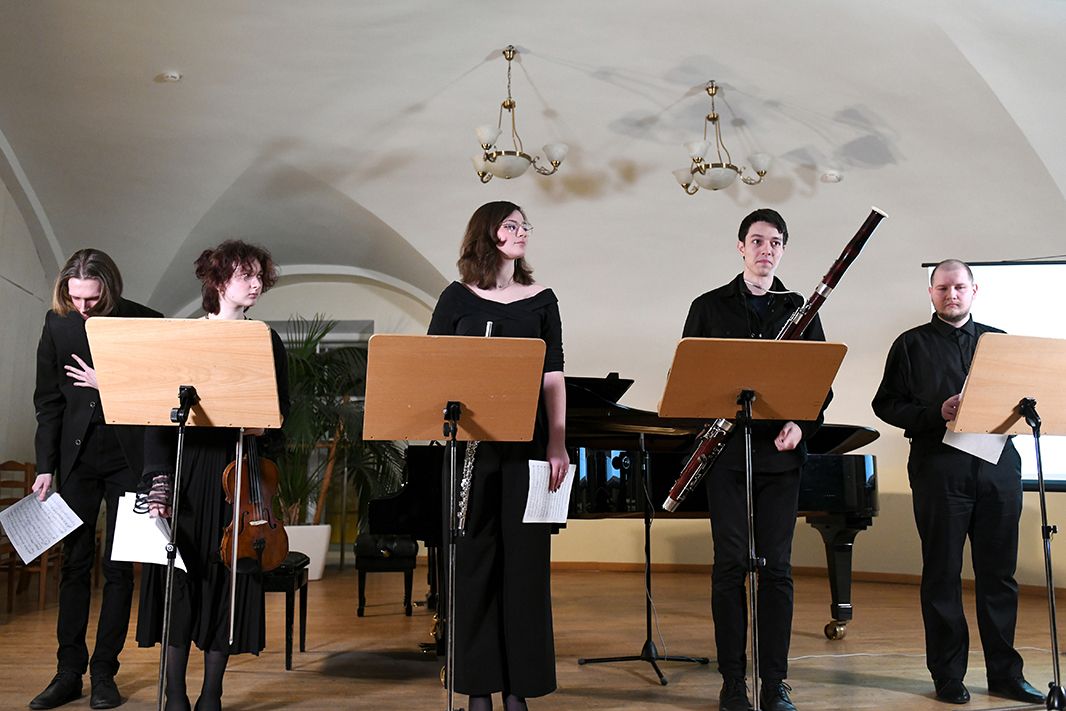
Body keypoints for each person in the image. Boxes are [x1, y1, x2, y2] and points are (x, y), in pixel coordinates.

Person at [871, 259, 1043, 705]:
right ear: (931, 292)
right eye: (943, 287)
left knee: (999, 577)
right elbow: (885, 404)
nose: (951, 294)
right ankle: (948, 676)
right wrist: (935, 413)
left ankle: (1006, 674)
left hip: (998, 471)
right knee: (943, 575)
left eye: (959, 287)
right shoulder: (910, 344)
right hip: (939, 470)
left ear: (973, 290)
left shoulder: (999, 341)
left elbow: (1024, 399)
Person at [682, 208, 829, 711]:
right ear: (741, 247)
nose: (767, 250)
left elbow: (819, 385)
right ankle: (732, 682)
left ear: (783, 250)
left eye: (776, 243)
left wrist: (801, 424)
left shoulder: (800, 308)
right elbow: (691, 379)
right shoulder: (708, 307)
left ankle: (775, 683)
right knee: (729, 566)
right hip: (725, 457)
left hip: (780, 458)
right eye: (758, 241)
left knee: (778, 570)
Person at [136, 240, 289, 711]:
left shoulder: (267, 340)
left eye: (260, 276)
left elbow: (282, 412)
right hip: (188, 469)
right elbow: (158, 416)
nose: (256, 283)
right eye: (246, 275)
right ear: (218, 280)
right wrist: (158, 483)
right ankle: (175, 694)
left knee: (230, 580)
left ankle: (212, 695)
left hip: (239, 473)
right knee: (181, 580)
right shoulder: (185, 337)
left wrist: (266, 423)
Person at [427, 201, 569, 711]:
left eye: (525, 225)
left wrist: (557, 441)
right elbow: (432, 367)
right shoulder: (456, 298)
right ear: (488, 234)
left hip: (528, 445)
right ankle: (477, 690)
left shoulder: (542, 300)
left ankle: (517, 690)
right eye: (511, 225)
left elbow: (553, 375)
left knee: (526, 567)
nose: (521, 231)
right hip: (472, 447)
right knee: (474, 565)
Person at [30, 249, 162, 710]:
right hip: (77, 460)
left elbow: (162, 393)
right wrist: (45, 465)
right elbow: (48, 401)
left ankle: (105, 672)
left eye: (92, 298)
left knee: (119, 568)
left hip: (129, 459)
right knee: (74, 564)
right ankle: (68, 672)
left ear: (110, 287)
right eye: (76, 298)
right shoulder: (57, 322)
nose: (83, 307)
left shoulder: (147, 322)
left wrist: (110, 383)